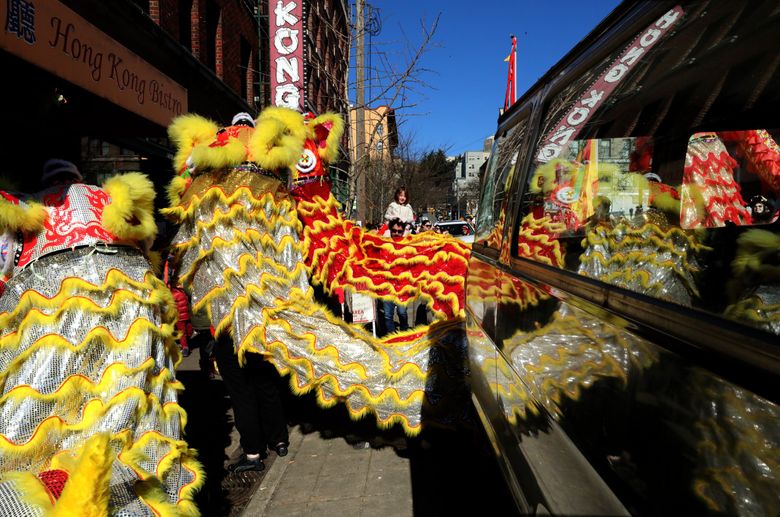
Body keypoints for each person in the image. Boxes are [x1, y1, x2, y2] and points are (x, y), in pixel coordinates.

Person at [0, 160, 200, 514]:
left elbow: (4, 267)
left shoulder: (30, 206)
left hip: (52, 299)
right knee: (131, 396)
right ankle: (130, 485)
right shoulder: (107, 198)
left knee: (47, 394)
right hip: (129, 294)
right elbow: (148, 242)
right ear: (79, 179)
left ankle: (51, 484)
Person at [382, 218, 409, 333]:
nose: (396, 233)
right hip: (387, 286)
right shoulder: (385, 246)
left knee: (402, 312)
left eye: (399, 231)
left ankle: (404, 332)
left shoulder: (408, 247)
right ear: (390, 231)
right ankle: (392, 337)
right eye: (394, 231)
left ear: (403, 232)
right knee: (388, 315)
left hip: (402, 286)